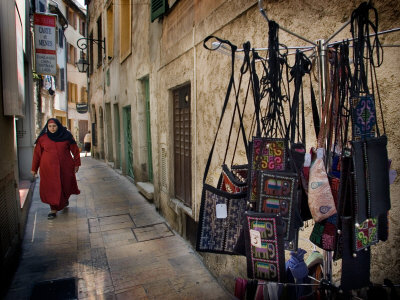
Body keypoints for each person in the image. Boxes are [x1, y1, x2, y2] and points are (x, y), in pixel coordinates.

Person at [31, 118, 81, 219]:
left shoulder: (66, 136)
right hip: (48, 169)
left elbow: (75, 151)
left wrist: (77, 164)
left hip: (65, 167)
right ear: (47, 127)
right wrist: (34, 168)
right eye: (50, 126)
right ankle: (53, 209)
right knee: (51, 188)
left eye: (54, 126)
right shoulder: (42, 138)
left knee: (66, 185)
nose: (52, 128)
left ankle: (64, 199)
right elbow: (37, 154)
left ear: (58, 126)